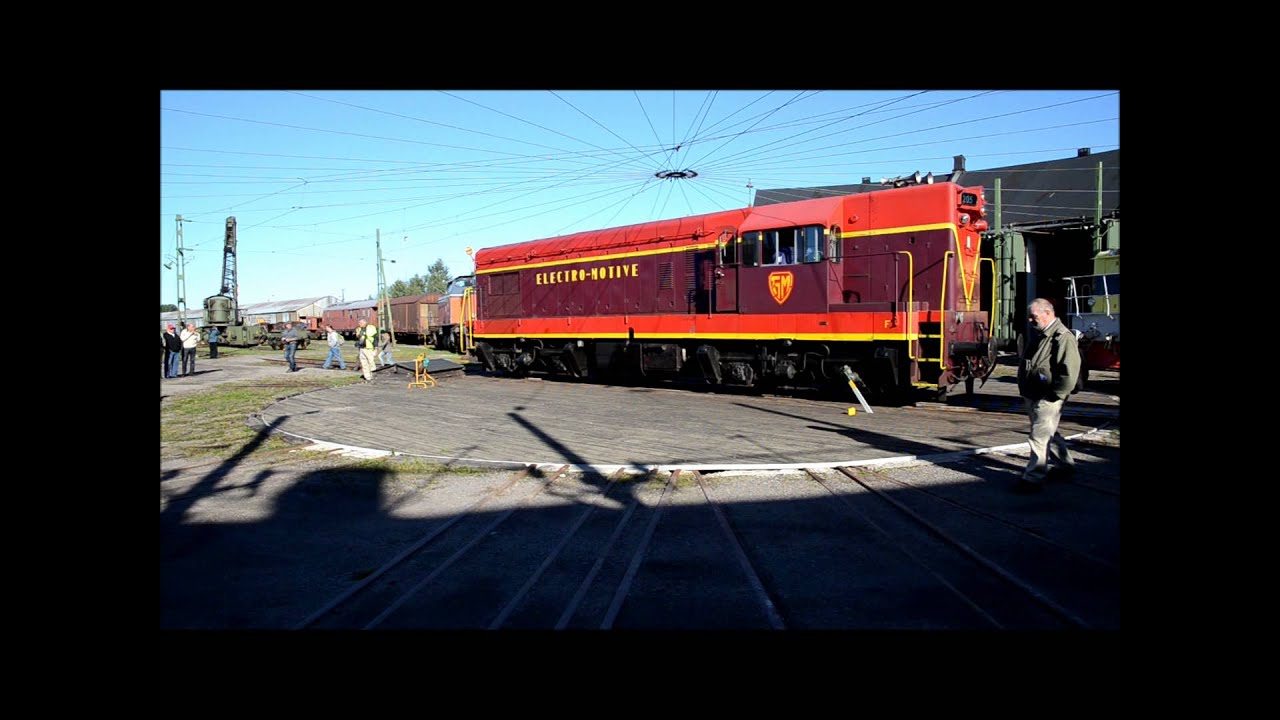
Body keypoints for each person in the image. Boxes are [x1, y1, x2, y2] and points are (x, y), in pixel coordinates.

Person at [1013, 298, 1081, 494]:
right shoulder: (1041, 333)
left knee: (1038, 436)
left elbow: (1069, 370)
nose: (1030, 321)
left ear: (1047, 313)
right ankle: (1065, 466)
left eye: (1033, 317)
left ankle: (1033, 478)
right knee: (1047, 430)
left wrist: (1056, 395)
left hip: (1047, 396)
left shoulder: (1062, 336)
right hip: (1034, 393)